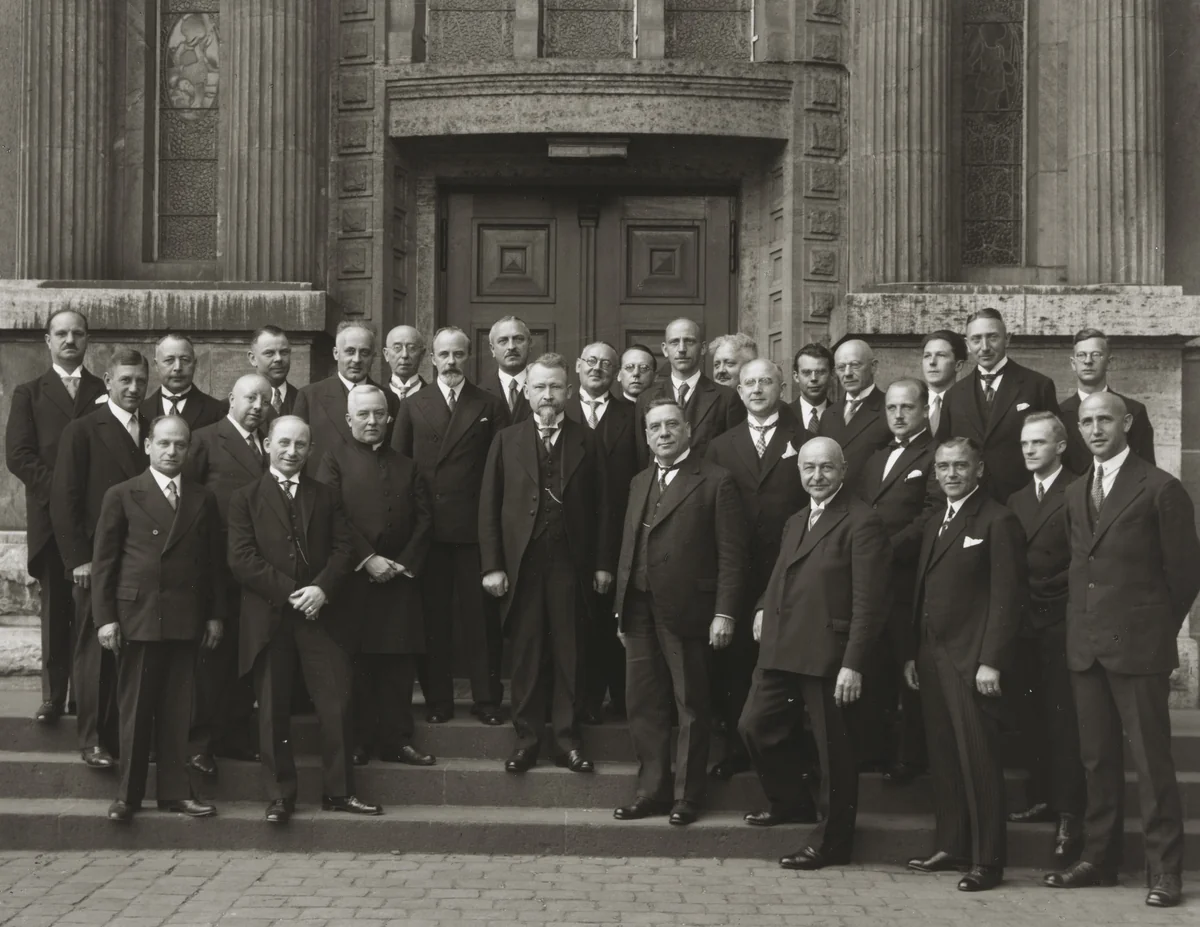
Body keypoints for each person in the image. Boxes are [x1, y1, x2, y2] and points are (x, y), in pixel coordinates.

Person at [1044, 393, 1200, 908]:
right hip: (1086, 648)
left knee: (1152, 764)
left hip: (1139, 649)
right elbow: (1082, 567)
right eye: (1086, 421)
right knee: (1097, 761)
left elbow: (1185, 575)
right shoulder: (1074, 491)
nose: (1095, 429)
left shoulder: (1160, 488)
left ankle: (1165, 871)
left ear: (1127, 423)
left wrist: (1153, 631)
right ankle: (1099, 860)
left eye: (1104, 419)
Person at [741, 437, 891, 869]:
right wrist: (761, 607)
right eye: (809, 468)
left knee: (834, 754)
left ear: (843, 470)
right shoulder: (796, 519)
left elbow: (870, 602)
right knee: (754, 725)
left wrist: (853, 664)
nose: (817, 476)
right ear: (800, 472)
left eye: (826, 467)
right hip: (783, 644)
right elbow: (781, 573)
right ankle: (791, 802)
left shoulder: (862, 521)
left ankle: (832, 843)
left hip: (830, 654)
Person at [227, 415, 380, 824]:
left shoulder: (326, 496)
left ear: (310, 450)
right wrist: (294, 592)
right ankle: (280, 796)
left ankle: (340, 792)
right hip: (270, 619)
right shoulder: (244, 498)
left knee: (337, 702)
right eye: (284, 443)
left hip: (321, 615)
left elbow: (344, 549)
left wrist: (321, 589)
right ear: (267, 446)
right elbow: (241, 559)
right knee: (272, 708)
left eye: (300, 444)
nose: (291, 451)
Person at [612, 398, 746, 827]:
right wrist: (620, 611)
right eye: (655, 427)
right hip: (637, 608)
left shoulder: (716, 480)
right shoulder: (639, 481)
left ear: (688, 430)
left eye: (672, 425)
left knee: (690, 703)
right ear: (646, 435)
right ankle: (651, 791)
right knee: (643, 702)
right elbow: (629, 547)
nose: (664, 433)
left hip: (689, 609)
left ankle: (687, 796)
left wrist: (725, 613)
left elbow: (732, 555)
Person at [479, 354, 613, 773]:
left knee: (570, 652)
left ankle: (567, 741)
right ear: (527, 391)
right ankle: (527, 740)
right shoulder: (506, 440)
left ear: (569, 391)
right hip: (522, 565)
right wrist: (492, 566)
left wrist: (602, 563)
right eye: (540, 387)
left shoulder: (588, 440)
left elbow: (605, 507)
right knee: (526, 653)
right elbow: (489, 506)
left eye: (555, 387)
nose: (548, 395)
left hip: (571, 564)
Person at [904, 437, 1026, 893]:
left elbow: (1007, 597)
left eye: (960, 466)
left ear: (979, 470)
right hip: (932, 656)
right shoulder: (937, 520)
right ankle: (952, 846)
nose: (951, 474)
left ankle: (988, 860)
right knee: (944, 758)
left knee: (978, 759)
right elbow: (923, 589)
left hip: (971, 659)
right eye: (943, 467)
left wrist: (991, 661)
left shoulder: (997, 520)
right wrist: (913, 652)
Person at [92, 415, 223, 822]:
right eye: (164, 443)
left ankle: (174, 794)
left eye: (180, 444)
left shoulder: (202, 498)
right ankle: (128, 798)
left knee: (177, 711)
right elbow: (104, 563)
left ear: (189, 450)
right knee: (136, 711)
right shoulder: (122, 494)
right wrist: (105, 618)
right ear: (148, 445)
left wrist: (214, 616)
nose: (171, 451)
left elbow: (213, 565)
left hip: (185, 617)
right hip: (139, 616)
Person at [391, 326, 508, 725]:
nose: (451, 362)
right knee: (433, 620)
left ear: (469, 356)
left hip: (475, 531)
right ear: (432, 359)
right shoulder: (413, 405)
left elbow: (501, 472)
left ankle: (487, 701)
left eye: (458, 354)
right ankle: (438, 701)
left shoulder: (489, 404)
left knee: (481, 622)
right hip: (430, 531)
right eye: (444, 355)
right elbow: (400, 469)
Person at [316, 386, 435, 769]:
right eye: (363, 414)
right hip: (355, 581)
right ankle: (359, 741)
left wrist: (401, 564)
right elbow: (332, 515)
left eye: (379, 414)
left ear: (389, 417)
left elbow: (424, 520)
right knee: (359, 666)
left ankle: (397, 741)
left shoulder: (407, 465)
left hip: (399, 581)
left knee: (398, 666)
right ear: (349, 419)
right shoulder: (333, 460)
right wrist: (368, 559)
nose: (372, 421)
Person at [705, 359, 809, 781]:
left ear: (782, 387)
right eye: (749, 383)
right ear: (739, 391)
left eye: (766, 381)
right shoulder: (720, 445)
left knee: (786, 660)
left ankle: (786, 749)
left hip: (791, 566)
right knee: (736, 661)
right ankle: (736, 748)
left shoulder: (804, 440)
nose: (757, 389)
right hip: (737, 569)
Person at [50, 348, 152, 769]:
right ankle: (92, 740)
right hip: (96, 561)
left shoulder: (153, 428)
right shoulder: (83, 429)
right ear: (107, 382)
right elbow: (64, 498)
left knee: (131, 651)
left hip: (141, 559)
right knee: (95, 650)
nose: (133, 388)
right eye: (125, 380)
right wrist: (78, 559)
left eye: (140, 381)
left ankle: (123, 737)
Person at [5, 308, 106, 724]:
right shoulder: (29, 393)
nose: (69, 340)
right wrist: (62, 495)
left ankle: (84, 696)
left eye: (77, 333)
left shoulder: (103, 389)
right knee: (55, 609)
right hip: (50, 519)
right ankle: (53, 696)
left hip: (94, 521)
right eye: (61, 333)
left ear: (87, 340)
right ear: (47, 341)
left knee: (90, 611)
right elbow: (19, 455)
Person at [184, 375, 275, 775]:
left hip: (258, 569)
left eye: (264, 400)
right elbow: (188, 502)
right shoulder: (206, 439)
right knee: (212, 658)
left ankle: (234, 736)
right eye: (250, 398)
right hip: (217, 569)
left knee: (246, 656)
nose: (257, 406)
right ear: (231, 399)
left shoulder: (270, 443)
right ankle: (199, 744)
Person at [1005, 412, 1083, 864]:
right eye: (1024, 444)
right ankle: (1042, 797)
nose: (1030, 450)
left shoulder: (1078, 490)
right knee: (1031, 715)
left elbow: (1084, 559)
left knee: (1063, 719)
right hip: (1025, 624)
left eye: (1038, 442)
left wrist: (1047, 592)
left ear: (1061, 446)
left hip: (1061, 620)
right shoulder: (1016, 498)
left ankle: (1070, 813)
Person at [856, 379, 943, 784]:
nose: (898, 414)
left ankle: (911, 756)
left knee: (910, 665)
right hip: (872, 579)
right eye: (891, 408)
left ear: (925, 410)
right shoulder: (875, 458)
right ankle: (872, 750)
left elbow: (932, 513)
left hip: (910, 577)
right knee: (873, 662)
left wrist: (886, 551)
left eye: (907, 407)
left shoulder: (935, 455)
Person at [566, 341, 638, 723]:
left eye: (607, 364)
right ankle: (582, 703)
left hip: (619, 535)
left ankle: (621, 701)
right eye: (591, 361)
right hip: (569, 538)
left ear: (617, 373)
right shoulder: (558, 411)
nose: (597, 368)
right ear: (578, 366)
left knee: (613, 623)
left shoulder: (633, 415)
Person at [939, 308, 1059, 502]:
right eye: (976, 339)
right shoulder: (954, 395)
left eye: (992, 337)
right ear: (967, 344)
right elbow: (943, 450)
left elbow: (1056, 448)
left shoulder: (1037, 386)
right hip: (971, 501)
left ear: (1007, 339)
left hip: (1023, 500)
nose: (985, 347)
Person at [293, 321, 399, 476]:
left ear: (373, 357)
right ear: (336, 353)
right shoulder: (309, 396)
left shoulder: (389, 399)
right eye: (350, 351)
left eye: (364, 353)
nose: (356, 359)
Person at [634, 318, 745, 465]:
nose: (681, 349)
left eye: (689, 341)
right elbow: (642, 459)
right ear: (665, 350)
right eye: (674, 342)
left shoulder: (727, 398)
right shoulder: (646, 399)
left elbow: (735, 458)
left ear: (703, 348)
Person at [1058, 328, 1155, 474]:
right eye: (1081, 355)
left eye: (1096, 355)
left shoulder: (1134, 410)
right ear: (1073, 363)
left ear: (1109, 362)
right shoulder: (1059, 413)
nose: (1088, 361)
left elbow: (1146, 471)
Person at [817, 339, 891, 494]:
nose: (848, 373)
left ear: (873, 366)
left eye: (855, 365)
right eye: (841, 367)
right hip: (833, 501)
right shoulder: (829, 414)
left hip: (871, 502)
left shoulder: (890, 408)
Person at [140, 333, 227, 431]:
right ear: (156, 365)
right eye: (169, 360)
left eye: (185, 360)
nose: (177, 367)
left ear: (194, 363)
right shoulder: (140, 411)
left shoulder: (216, 410)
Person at [481, 315, 532, 424]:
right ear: (492, 349)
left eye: (518, 339)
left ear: (529, 344)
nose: (511, 347)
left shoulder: (543, 388)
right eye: (503, 341)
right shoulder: (479, 393)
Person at [922, 329, 967, 440]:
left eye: (941, 355)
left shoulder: (969, 404)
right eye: (927, 356)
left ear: (958, 365)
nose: (932, 362)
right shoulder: (912, 402)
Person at [249, 326, 297, 424]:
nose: (278, 359)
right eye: (269, 353)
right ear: (253, 359)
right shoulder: (234, 405)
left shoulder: (305, 400)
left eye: (284, 352)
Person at [788, 343, 834, 441]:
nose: (813, 378)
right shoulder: (782, 416)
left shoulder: (842, 415)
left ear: (831, 374)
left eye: (820, 372)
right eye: (806, 372)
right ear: (796, 376)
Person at [384, 325, 428, 402]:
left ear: (422, 354)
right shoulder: (375, 395)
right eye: (397, 348)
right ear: (386, 354)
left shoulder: (434, 396)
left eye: (412, 348)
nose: (404, 355)